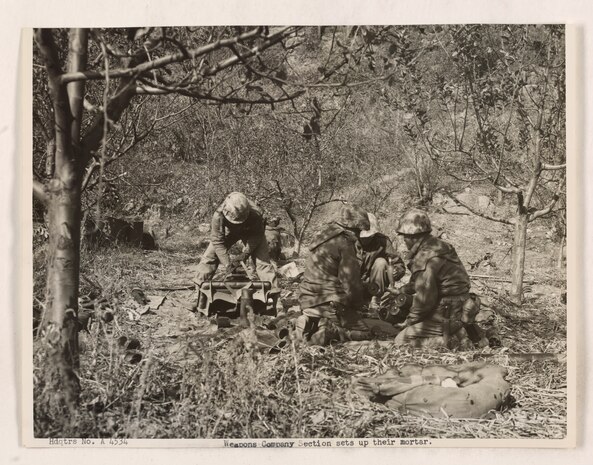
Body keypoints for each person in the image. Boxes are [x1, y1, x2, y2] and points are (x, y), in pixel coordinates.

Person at [393, 209, 484, 348]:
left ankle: (452, 342)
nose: (404, 241)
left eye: (404, 237)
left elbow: (425, 300)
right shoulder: (441, 246)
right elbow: (432, 280)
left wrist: (409, 321)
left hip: (446, 312)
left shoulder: (424, 258)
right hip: (462, 305)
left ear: (412, 237)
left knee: (401, 340)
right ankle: (463, 333)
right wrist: (403, 290)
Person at [295, 203, 373, 345]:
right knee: (365, 332)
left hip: (307, 300)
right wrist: (360, 304)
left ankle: (310, 320)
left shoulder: (322, 235)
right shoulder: (345, 243)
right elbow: (351, 285)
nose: (359, 236)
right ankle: (332, 331)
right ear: (353, 228)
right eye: (359, 231)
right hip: (329, 304)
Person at [195, 192, 279, 310]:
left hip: (251, 234)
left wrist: (245, 253)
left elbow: (257, 235)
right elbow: (217, 241)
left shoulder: (256, 213)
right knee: (209, 257)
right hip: (230, 232)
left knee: (263, 263)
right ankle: (199, 295)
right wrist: (227, 263)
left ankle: (273, 299)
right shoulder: (218, 214)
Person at [358, 213, 406, 310]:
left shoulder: (382, 241)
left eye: (369, 237)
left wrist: (397, 271)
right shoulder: (349, 241)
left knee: (381, 262)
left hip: (373, 285)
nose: (366, 239)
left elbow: (398, 263)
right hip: (353, 283)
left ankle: (375, 300)